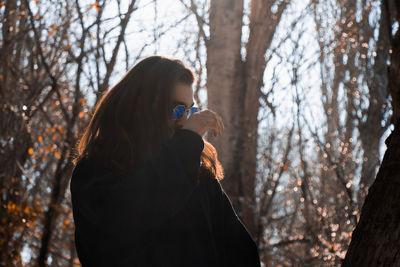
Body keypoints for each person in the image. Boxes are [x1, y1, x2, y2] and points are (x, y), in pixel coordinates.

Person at [69, 55, 261, 266]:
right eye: (177, 109)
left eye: (190, 111)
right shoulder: (95, 170)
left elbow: (243, 253)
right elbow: (128, 219)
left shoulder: (200, 177)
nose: (185, 121)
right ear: (143, 106)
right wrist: (186, 145)